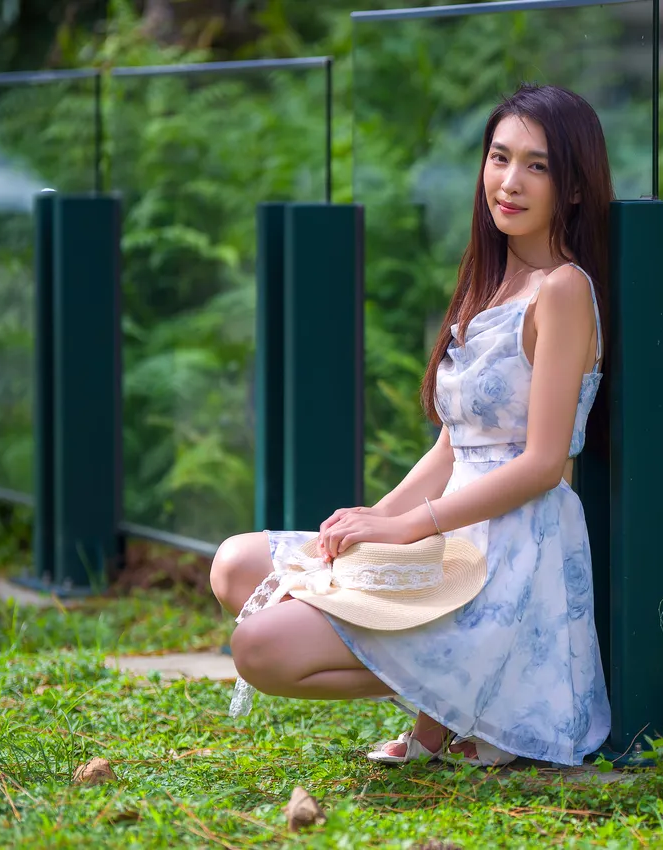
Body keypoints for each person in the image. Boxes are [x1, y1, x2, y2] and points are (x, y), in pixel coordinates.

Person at [207, 83, 614, 768]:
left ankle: (473, 693)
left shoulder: (564, 290)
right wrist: (370, 520)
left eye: (537, 166)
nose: (509, 182)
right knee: (234, 565)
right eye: (499, 157)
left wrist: (403, 527)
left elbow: (544, 464)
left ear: (573, 187)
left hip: (507, 552)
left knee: (259, 649)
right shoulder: (489, 283)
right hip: (443, 533)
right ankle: (452, 698)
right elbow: (452, 446)